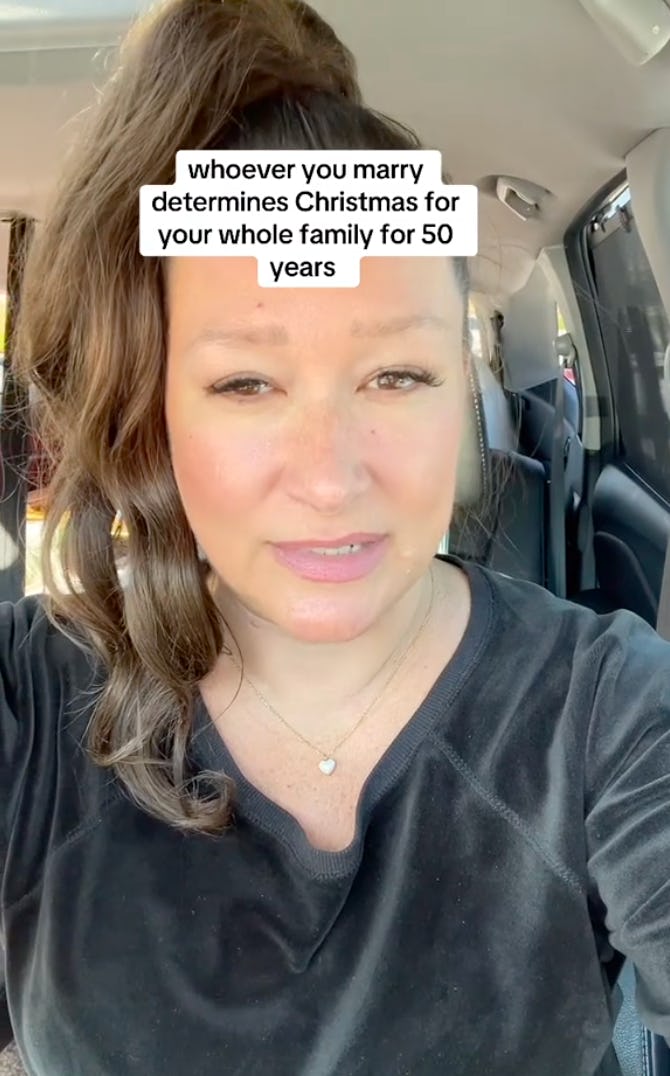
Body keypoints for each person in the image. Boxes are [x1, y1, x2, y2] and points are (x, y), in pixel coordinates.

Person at [1, 1, 669, 1073]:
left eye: (396, 375)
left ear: (465, 392)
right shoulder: (32, 701)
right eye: (246, 383)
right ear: (155, 411)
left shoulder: (612, 714)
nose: (328, 477)